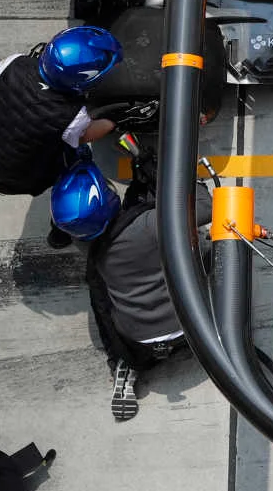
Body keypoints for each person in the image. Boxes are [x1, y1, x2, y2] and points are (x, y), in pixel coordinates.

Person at [71, 158, 207, 421]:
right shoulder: (147, 224)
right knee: (204, 244)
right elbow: (205, 208)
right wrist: (187, 182)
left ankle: (122, 363)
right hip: (193, 329)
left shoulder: (88, 247)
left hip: (138, 341)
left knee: (98, 288)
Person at [0, 26, 123, 246]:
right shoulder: (71, 116)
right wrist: (113, 120)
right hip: (16, 180)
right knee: (78, 166)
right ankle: (61, 230)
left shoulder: (12, 64)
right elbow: (88, 135)